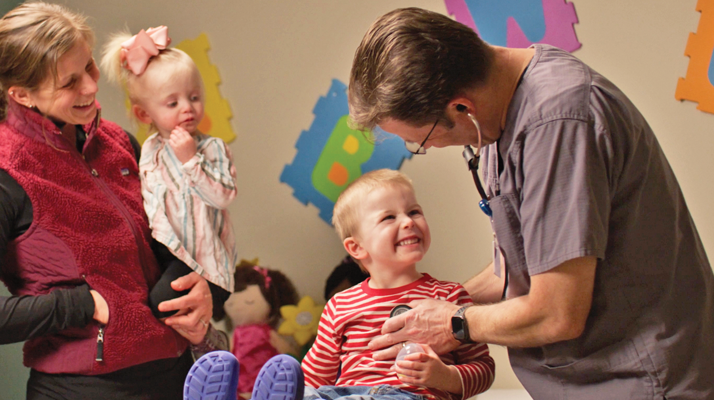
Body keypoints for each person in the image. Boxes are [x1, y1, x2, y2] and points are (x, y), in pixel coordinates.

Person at [348, 7, 714, 399]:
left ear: (460, 108)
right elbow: (517, 266)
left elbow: (557, 312)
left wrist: (454, 323)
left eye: (421, 140)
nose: (430, 147)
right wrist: (435, 301)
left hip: (641, 379)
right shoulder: (495, 118)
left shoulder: (558, 124)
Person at [0, 3, 222, 398]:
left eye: (88, 67)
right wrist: (81, 305)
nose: (91, 86)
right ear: (22, 94)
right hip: (83, 389)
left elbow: (174, 234)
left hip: (175, 376)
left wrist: (199, 286)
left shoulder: (119, 143)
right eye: (69, 82)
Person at [182, 170, 495, 400]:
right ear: (356, 248)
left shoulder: (449, 298)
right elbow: (316, 375)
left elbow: (483, 368)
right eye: (389, 218)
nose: (408, 221)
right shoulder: (341, 305)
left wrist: (446, 377)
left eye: (414, 211)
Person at [100, 25, 237, 321]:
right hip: (164, 250)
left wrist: (190, 161)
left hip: (200, 260)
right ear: (144, 115)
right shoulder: (149, 150)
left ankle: (207, 345)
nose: (187, 108)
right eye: (173, 103)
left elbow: (223, 197)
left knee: (159, 305)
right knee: (133, 295)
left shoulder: (212, 148)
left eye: (194, 97)